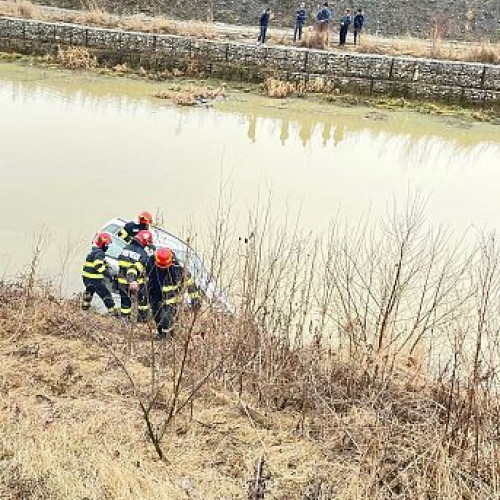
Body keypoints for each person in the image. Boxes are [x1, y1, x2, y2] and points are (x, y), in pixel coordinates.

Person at [147, 248, 202, 340]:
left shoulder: (178, 268)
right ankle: (161, 334)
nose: (162, 268)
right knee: (157, 316)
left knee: (166, 318)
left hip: (171, 297)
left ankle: (168, 338)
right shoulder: (150, 261)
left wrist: (195, 301)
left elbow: (191, 284)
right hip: (154, 294)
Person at [117, 229, 154, 321]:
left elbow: (121, 264)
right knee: (143, 302)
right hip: (137, 282)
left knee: (125, 303)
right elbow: (138, 268)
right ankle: (142, 322)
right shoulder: (143, 254)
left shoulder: (125, 248)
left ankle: (124, 321)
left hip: (122, 281)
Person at [82, 232, 118, 315]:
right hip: (95, 279)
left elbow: (96, 263)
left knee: (89, 293)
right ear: (103, 244)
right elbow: (98, 265)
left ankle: (84, 311)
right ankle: (114, 315)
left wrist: (106, 265)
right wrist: (109, 276)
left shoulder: (93, 251)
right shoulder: (100, 253)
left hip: (86, 278)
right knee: (106, 295)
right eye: (107, 244)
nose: (108, 247)